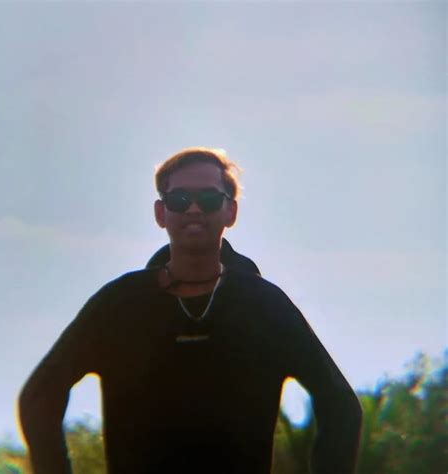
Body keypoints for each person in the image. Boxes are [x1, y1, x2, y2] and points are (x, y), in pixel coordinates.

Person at [19, 147, 362, 474]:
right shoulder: (120, 305)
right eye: (180, 200)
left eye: (209, 199)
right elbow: (39, 395)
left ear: (231, 212)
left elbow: (340, 404)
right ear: (161, 212)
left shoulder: (265, 307)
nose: (194, 210)